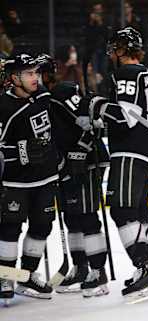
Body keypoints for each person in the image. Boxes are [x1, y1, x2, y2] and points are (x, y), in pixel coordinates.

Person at [86, 27, 148, 301]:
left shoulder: (126, 74)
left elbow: (126, 116)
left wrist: (97, 106)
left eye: (115, 49)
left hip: (131, 149)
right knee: (140, 211)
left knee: (121, 210)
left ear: (122, 50)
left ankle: (145, 269)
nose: (112, 54)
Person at [36, 54, 110, 297]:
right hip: (67, 165)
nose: (34, 78)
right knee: (72, 218)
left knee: (88, 216)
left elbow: (93, 122)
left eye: (37, 73)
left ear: (46, 74)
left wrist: (80, 152)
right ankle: (80, 268)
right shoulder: (39, 100)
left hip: (88, 162)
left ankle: (99, 273)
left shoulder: (63, 92)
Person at [0, 54, 59, 301]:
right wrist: (22, 151)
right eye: (29, 73)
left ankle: (27, 275)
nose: (36, 78)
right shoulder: (3, 106)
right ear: (15, 78)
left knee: (42, 226)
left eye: (37, 72)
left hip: (45, 178)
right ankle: (5, 277)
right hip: (15, 182)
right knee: (10, 228)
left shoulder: (44, 97)